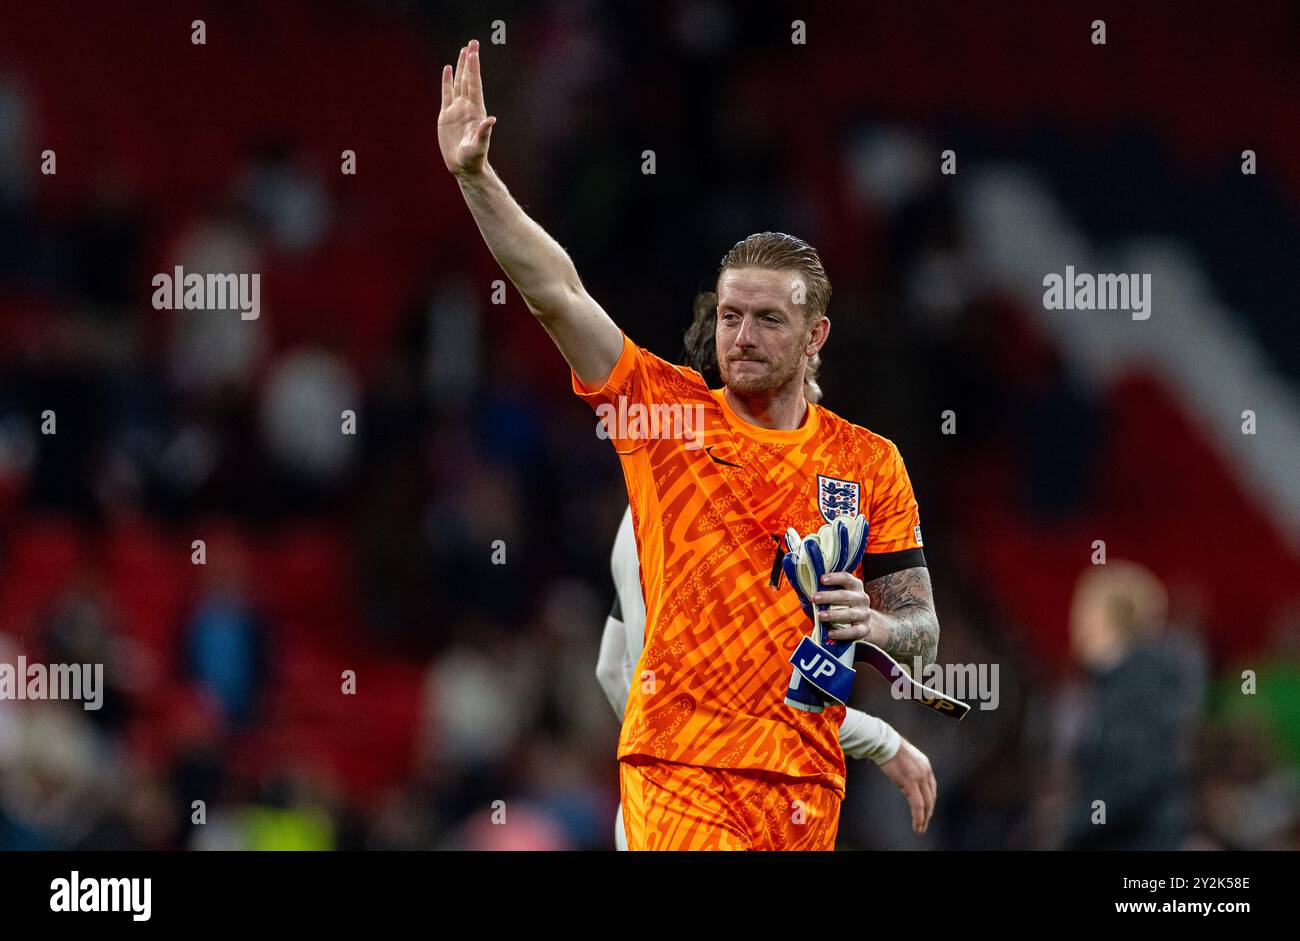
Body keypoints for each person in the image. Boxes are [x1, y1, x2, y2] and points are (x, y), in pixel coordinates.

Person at [440, 40, 940, 850]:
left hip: (805, 783)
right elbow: (558, 291)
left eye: (768, 319)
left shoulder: (869, 462)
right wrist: (477, 180)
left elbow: (921, 626)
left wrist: (879, 632)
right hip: (682, 773)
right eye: (731, 315)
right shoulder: (665, 416)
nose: (740, 337)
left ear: (816, 335)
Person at [596, 300, 937, 848]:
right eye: (802, 389)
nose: (815, 406)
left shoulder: (646, 516)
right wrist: (879, 738)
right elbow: (759, 698)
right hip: (701, 796)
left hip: (668, 795)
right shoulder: (732, 528)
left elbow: (613, 670)